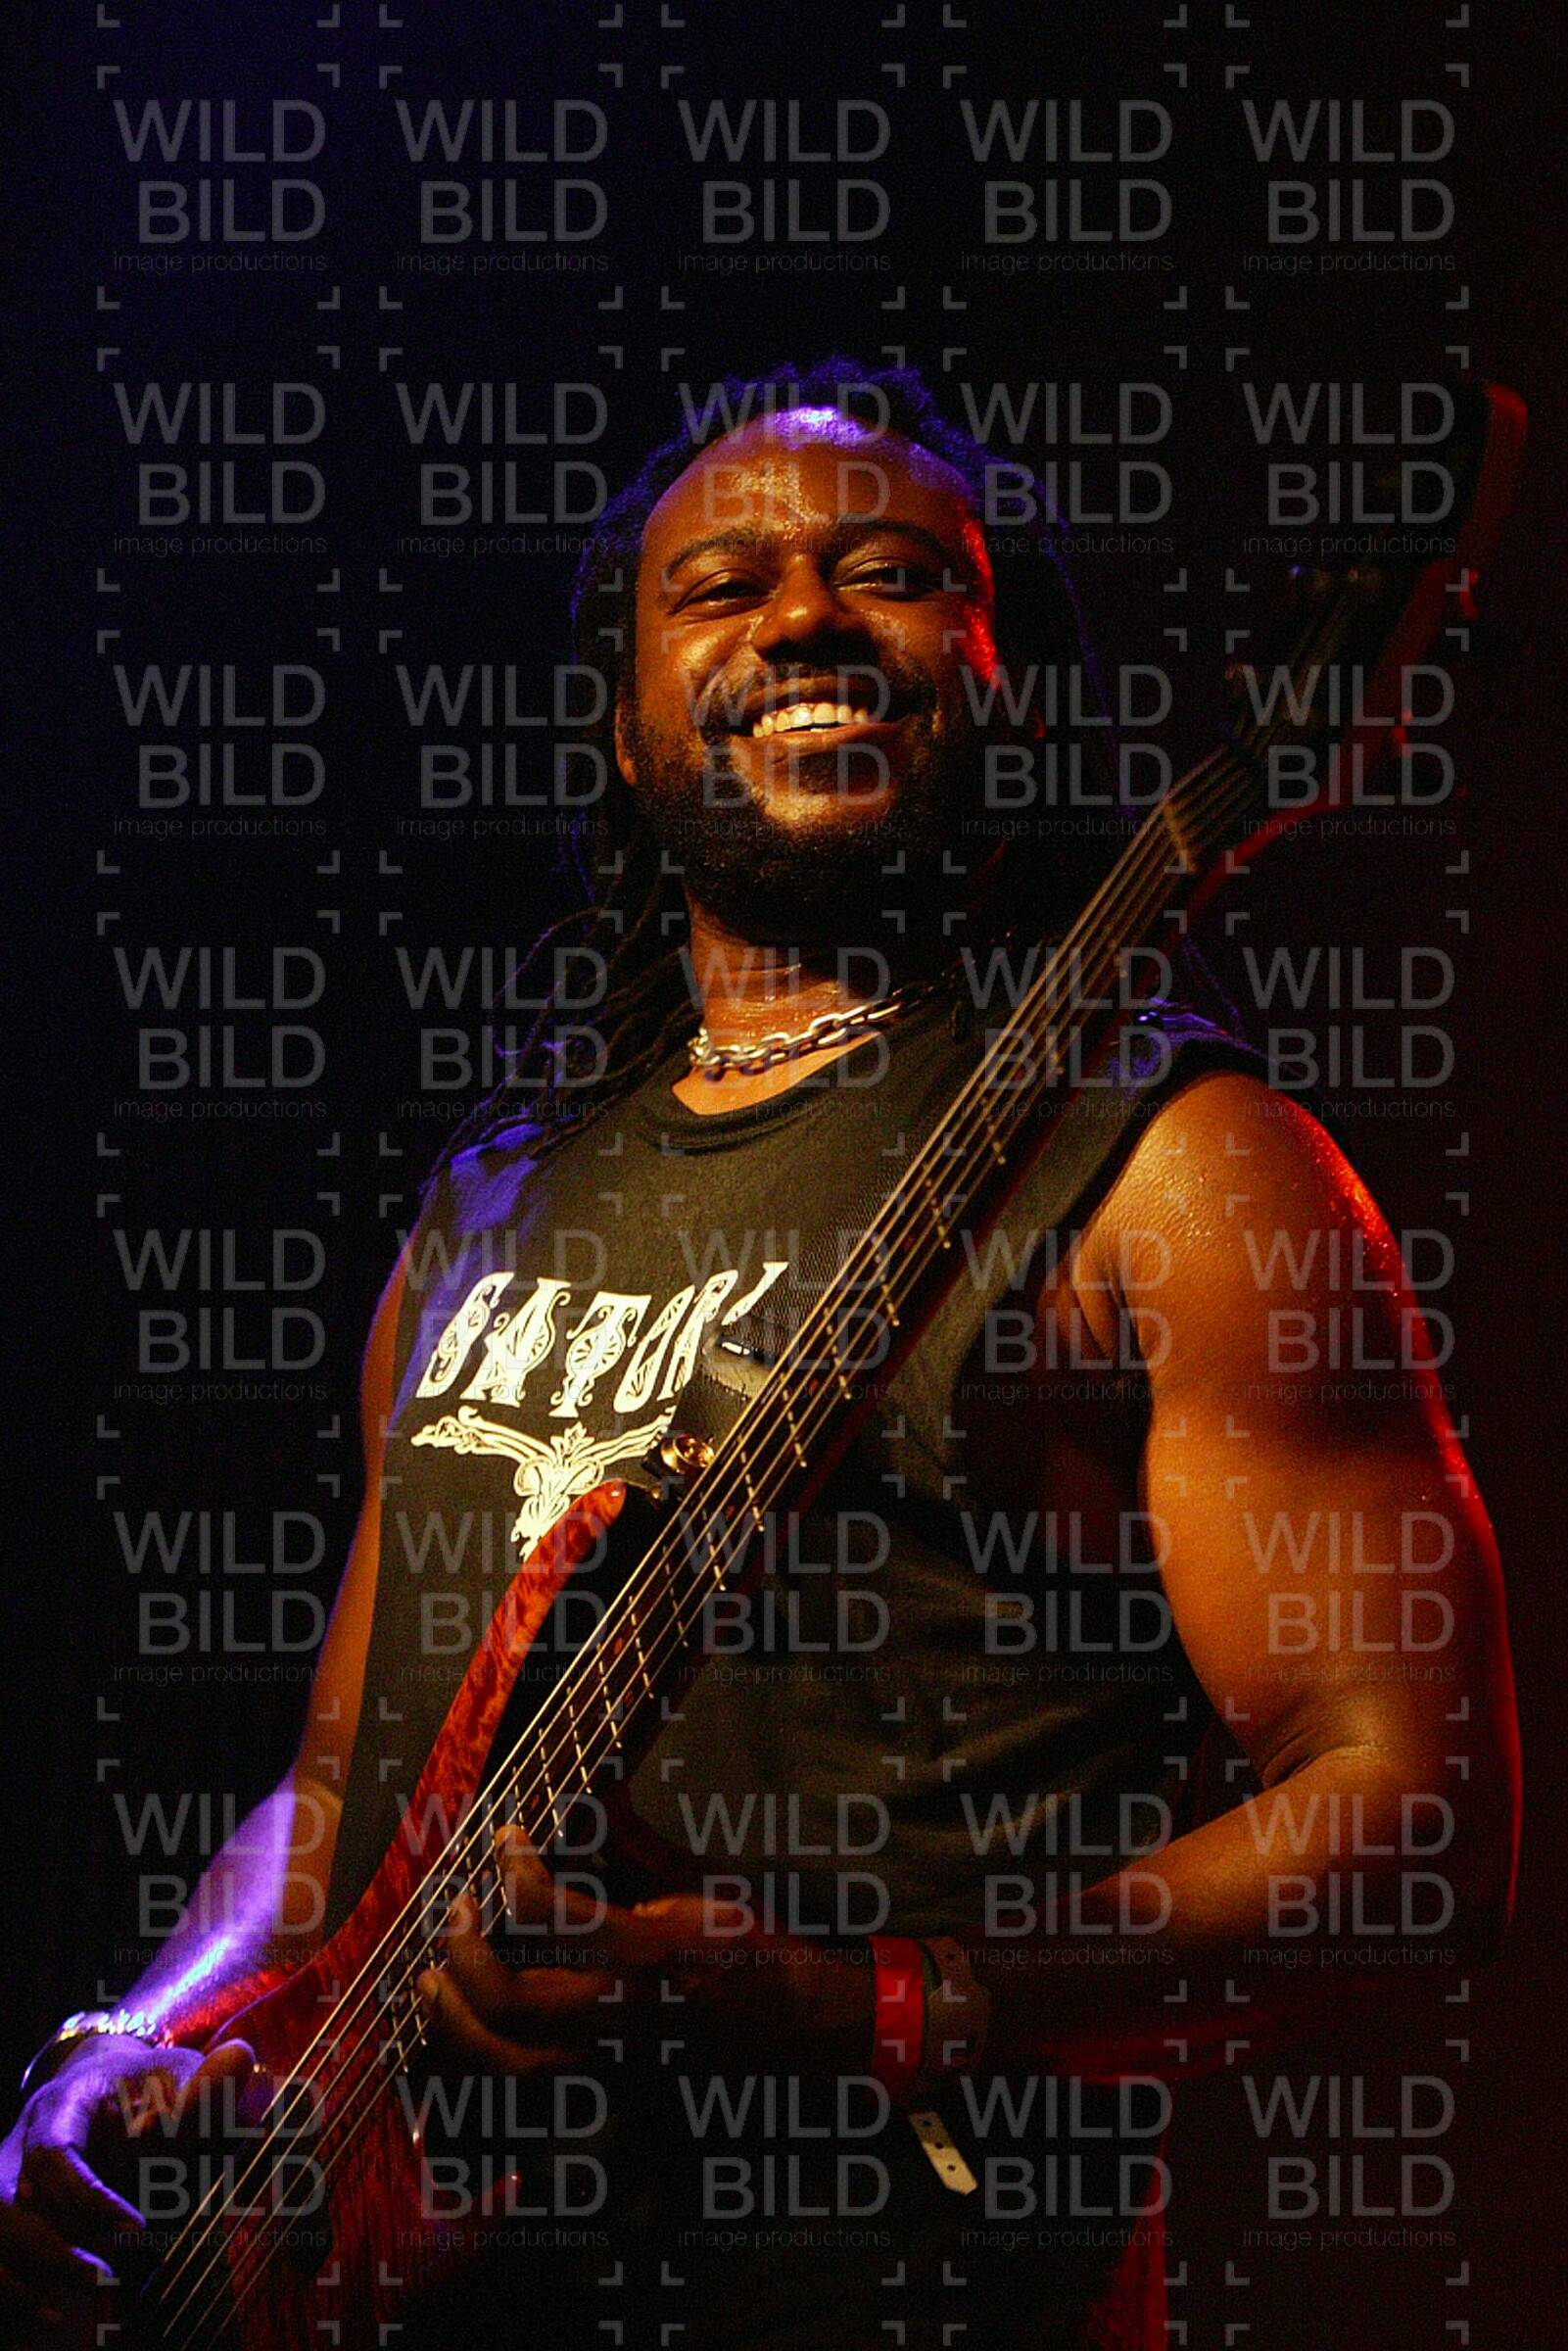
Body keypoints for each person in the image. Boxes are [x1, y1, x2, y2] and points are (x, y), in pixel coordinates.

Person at [0, 360, 1520, 2351]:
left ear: (1006, 678)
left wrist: (884, 1995)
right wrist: (142, 2030)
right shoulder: (497, 1196)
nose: (804, 615)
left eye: (890, 572)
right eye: (720, 586)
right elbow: (340, 1795)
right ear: (626, 733)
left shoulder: (1183, 1165)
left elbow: (1413, 1821)